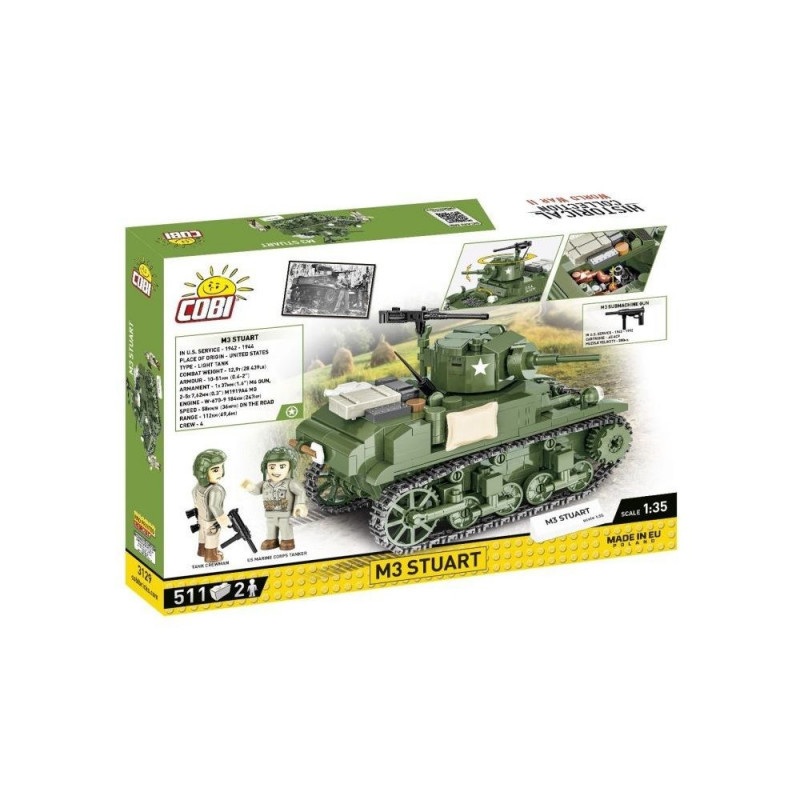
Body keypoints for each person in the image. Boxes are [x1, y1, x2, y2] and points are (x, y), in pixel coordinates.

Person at [242, 446, 307, 551]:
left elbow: (300, 492)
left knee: (284, 525)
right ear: (266, 468)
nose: (276, 471)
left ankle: (287, 540)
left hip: (284, 513)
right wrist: (250, 487)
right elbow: (257, 491)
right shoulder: (265, 483)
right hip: (270, 513)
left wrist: (300, 504)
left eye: (282, 466)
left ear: (290, 467)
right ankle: (271, 539)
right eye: (272, 467)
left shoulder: (290, 483)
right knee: (270, 526)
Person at [191, 449, 229, 563]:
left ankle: (202, 550)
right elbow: (214, 506)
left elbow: (194, 494)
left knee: (202, 535)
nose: (220, 473)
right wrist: (224, 520)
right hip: (211, 520)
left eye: (221, 468)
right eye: (215, 470)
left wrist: (197, 508)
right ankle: (211, 555)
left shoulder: (199, 486)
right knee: (212, 536)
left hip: (201, 517)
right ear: (203, 472)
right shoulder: (216, 490)